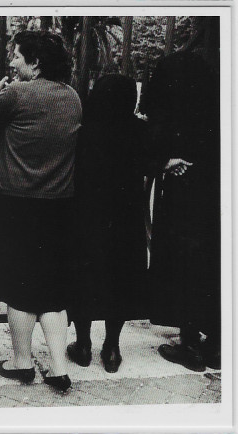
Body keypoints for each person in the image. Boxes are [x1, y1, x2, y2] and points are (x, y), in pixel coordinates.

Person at [0, 31, 81, 391]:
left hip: (14, 205)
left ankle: (22, 362)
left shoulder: (18, 93)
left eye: (17, 55)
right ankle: (58, 368)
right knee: (52, 288)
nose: (11, 61)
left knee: (19, 286)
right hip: (58, 206)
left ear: (35, 62)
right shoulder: (72, 97)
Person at [141, 51, 221, 372]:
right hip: (217, 180)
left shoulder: (174, 70)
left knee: (182, 257)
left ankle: (189, 343)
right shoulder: (216, 78)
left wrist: (164, 159)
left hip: (183, 180)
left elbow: (156, 126)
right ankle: (216, 343)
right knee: (215, 258)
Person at [66, 74, 148, 373]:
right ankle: (112, 348)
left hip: (88, 217)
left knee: (84, 278)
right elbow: (154, 160)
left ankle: (83, 344)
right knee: (121, 280)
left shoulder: (84, 132)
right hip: (126, 220)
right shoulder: (139, 129)